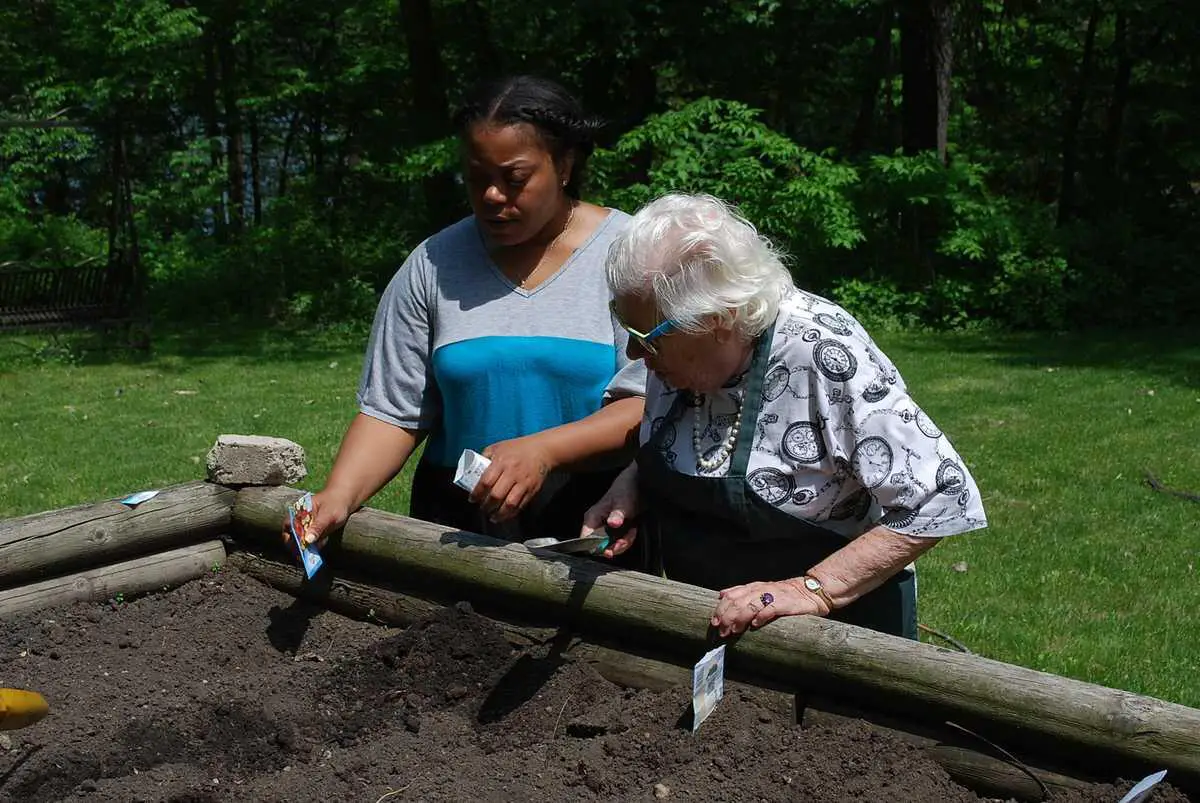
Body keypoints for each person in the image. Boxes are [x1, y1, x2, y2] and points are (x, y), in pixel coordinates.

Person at [583, 193, 987, 639]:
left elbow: (941, 495)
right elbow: (681, 440)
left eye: (646, 338)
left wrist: (812, 589)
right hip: (710, 632)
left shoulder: (817, 351)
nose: (634, 353)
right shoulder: (678, 356)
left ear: (719, 319)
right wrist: (633, 485)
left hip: (837, 648)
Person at [285, 75, 645, 553]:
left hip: (593, 515)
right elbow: (394, 412)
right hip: (455, 520)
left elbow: (654, 402)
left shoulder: (633, 256)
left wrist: (543, 451)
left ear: (564, 164)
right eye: (477, 178)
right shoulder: (434, 264)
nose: (493, 195)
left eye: (514, 178)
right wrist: (339, 494)